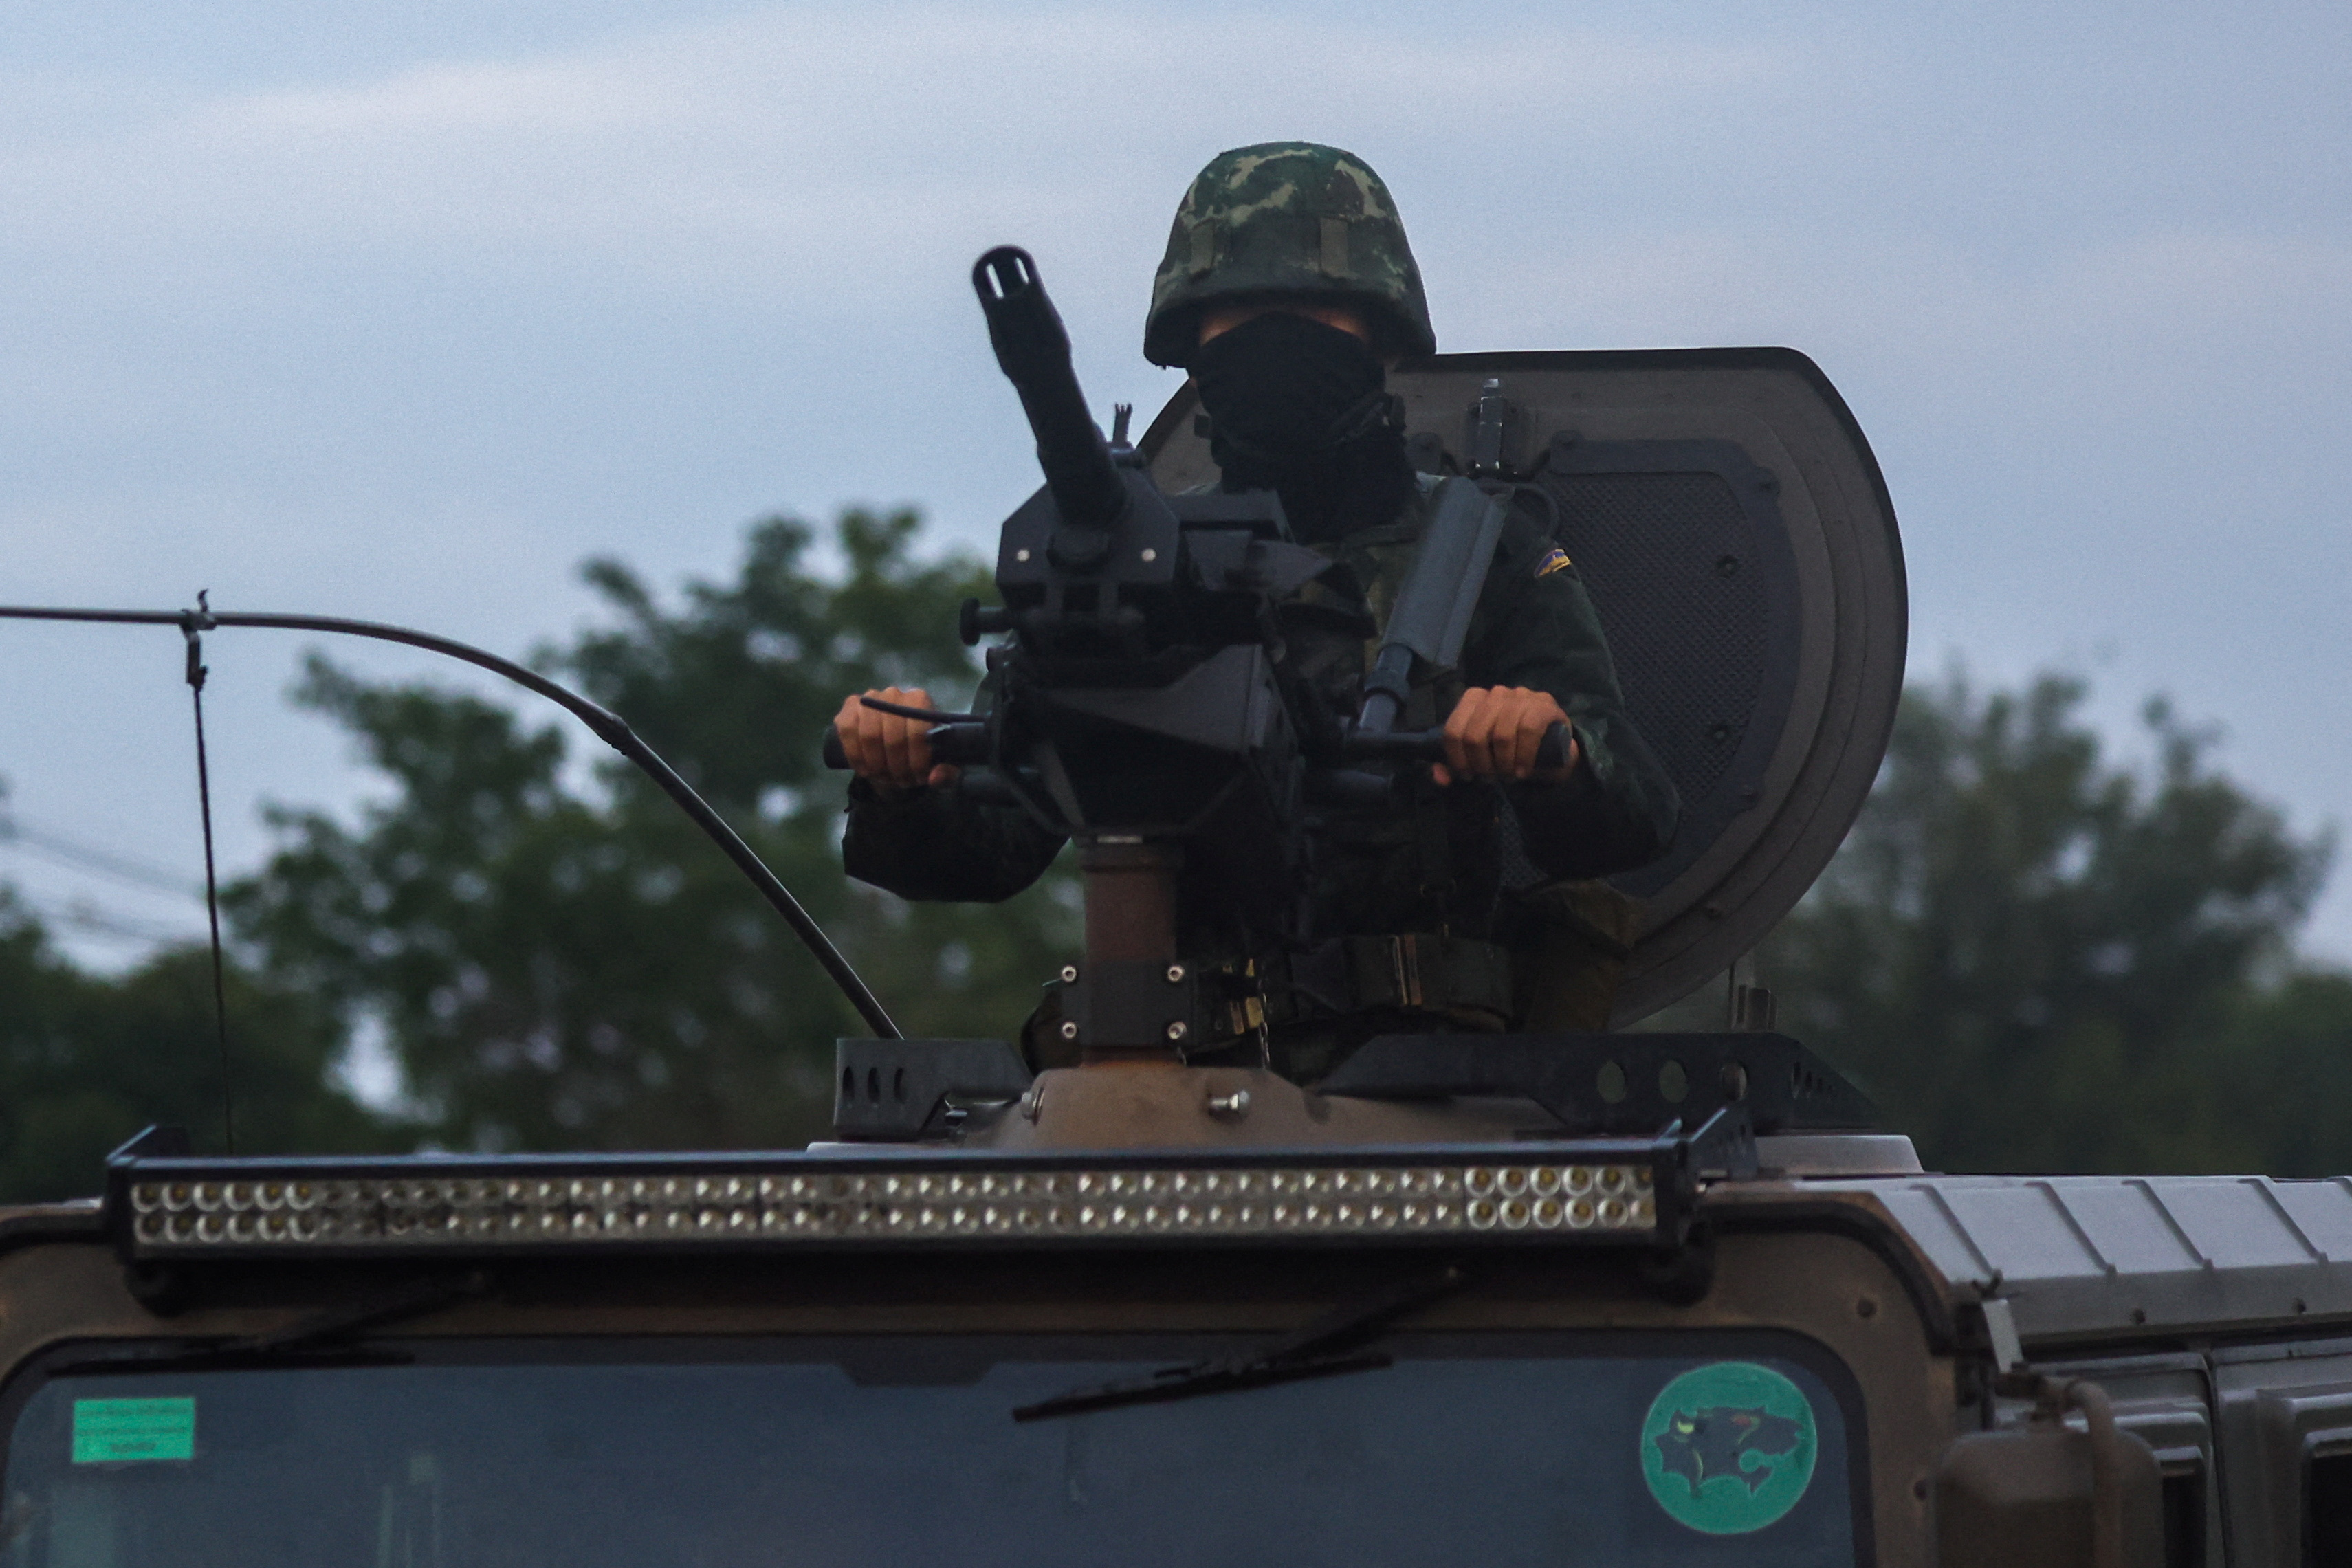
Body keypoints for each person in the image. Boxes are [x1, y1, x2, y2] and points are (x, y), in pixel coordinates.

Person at [835, 142, 1678, 1078]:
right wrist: (901, 780)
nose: (1273, 342)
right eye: (1237, 315)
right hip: (1160, 1088)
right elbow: (985, 852)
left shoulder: (1483, 552)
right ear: (1191, 347)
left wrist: (1546, 752)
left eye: (1311, 311)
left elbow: (1634, 815)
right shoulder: (1142, 570)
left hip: (1422, 1089)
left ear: (1379, 332)